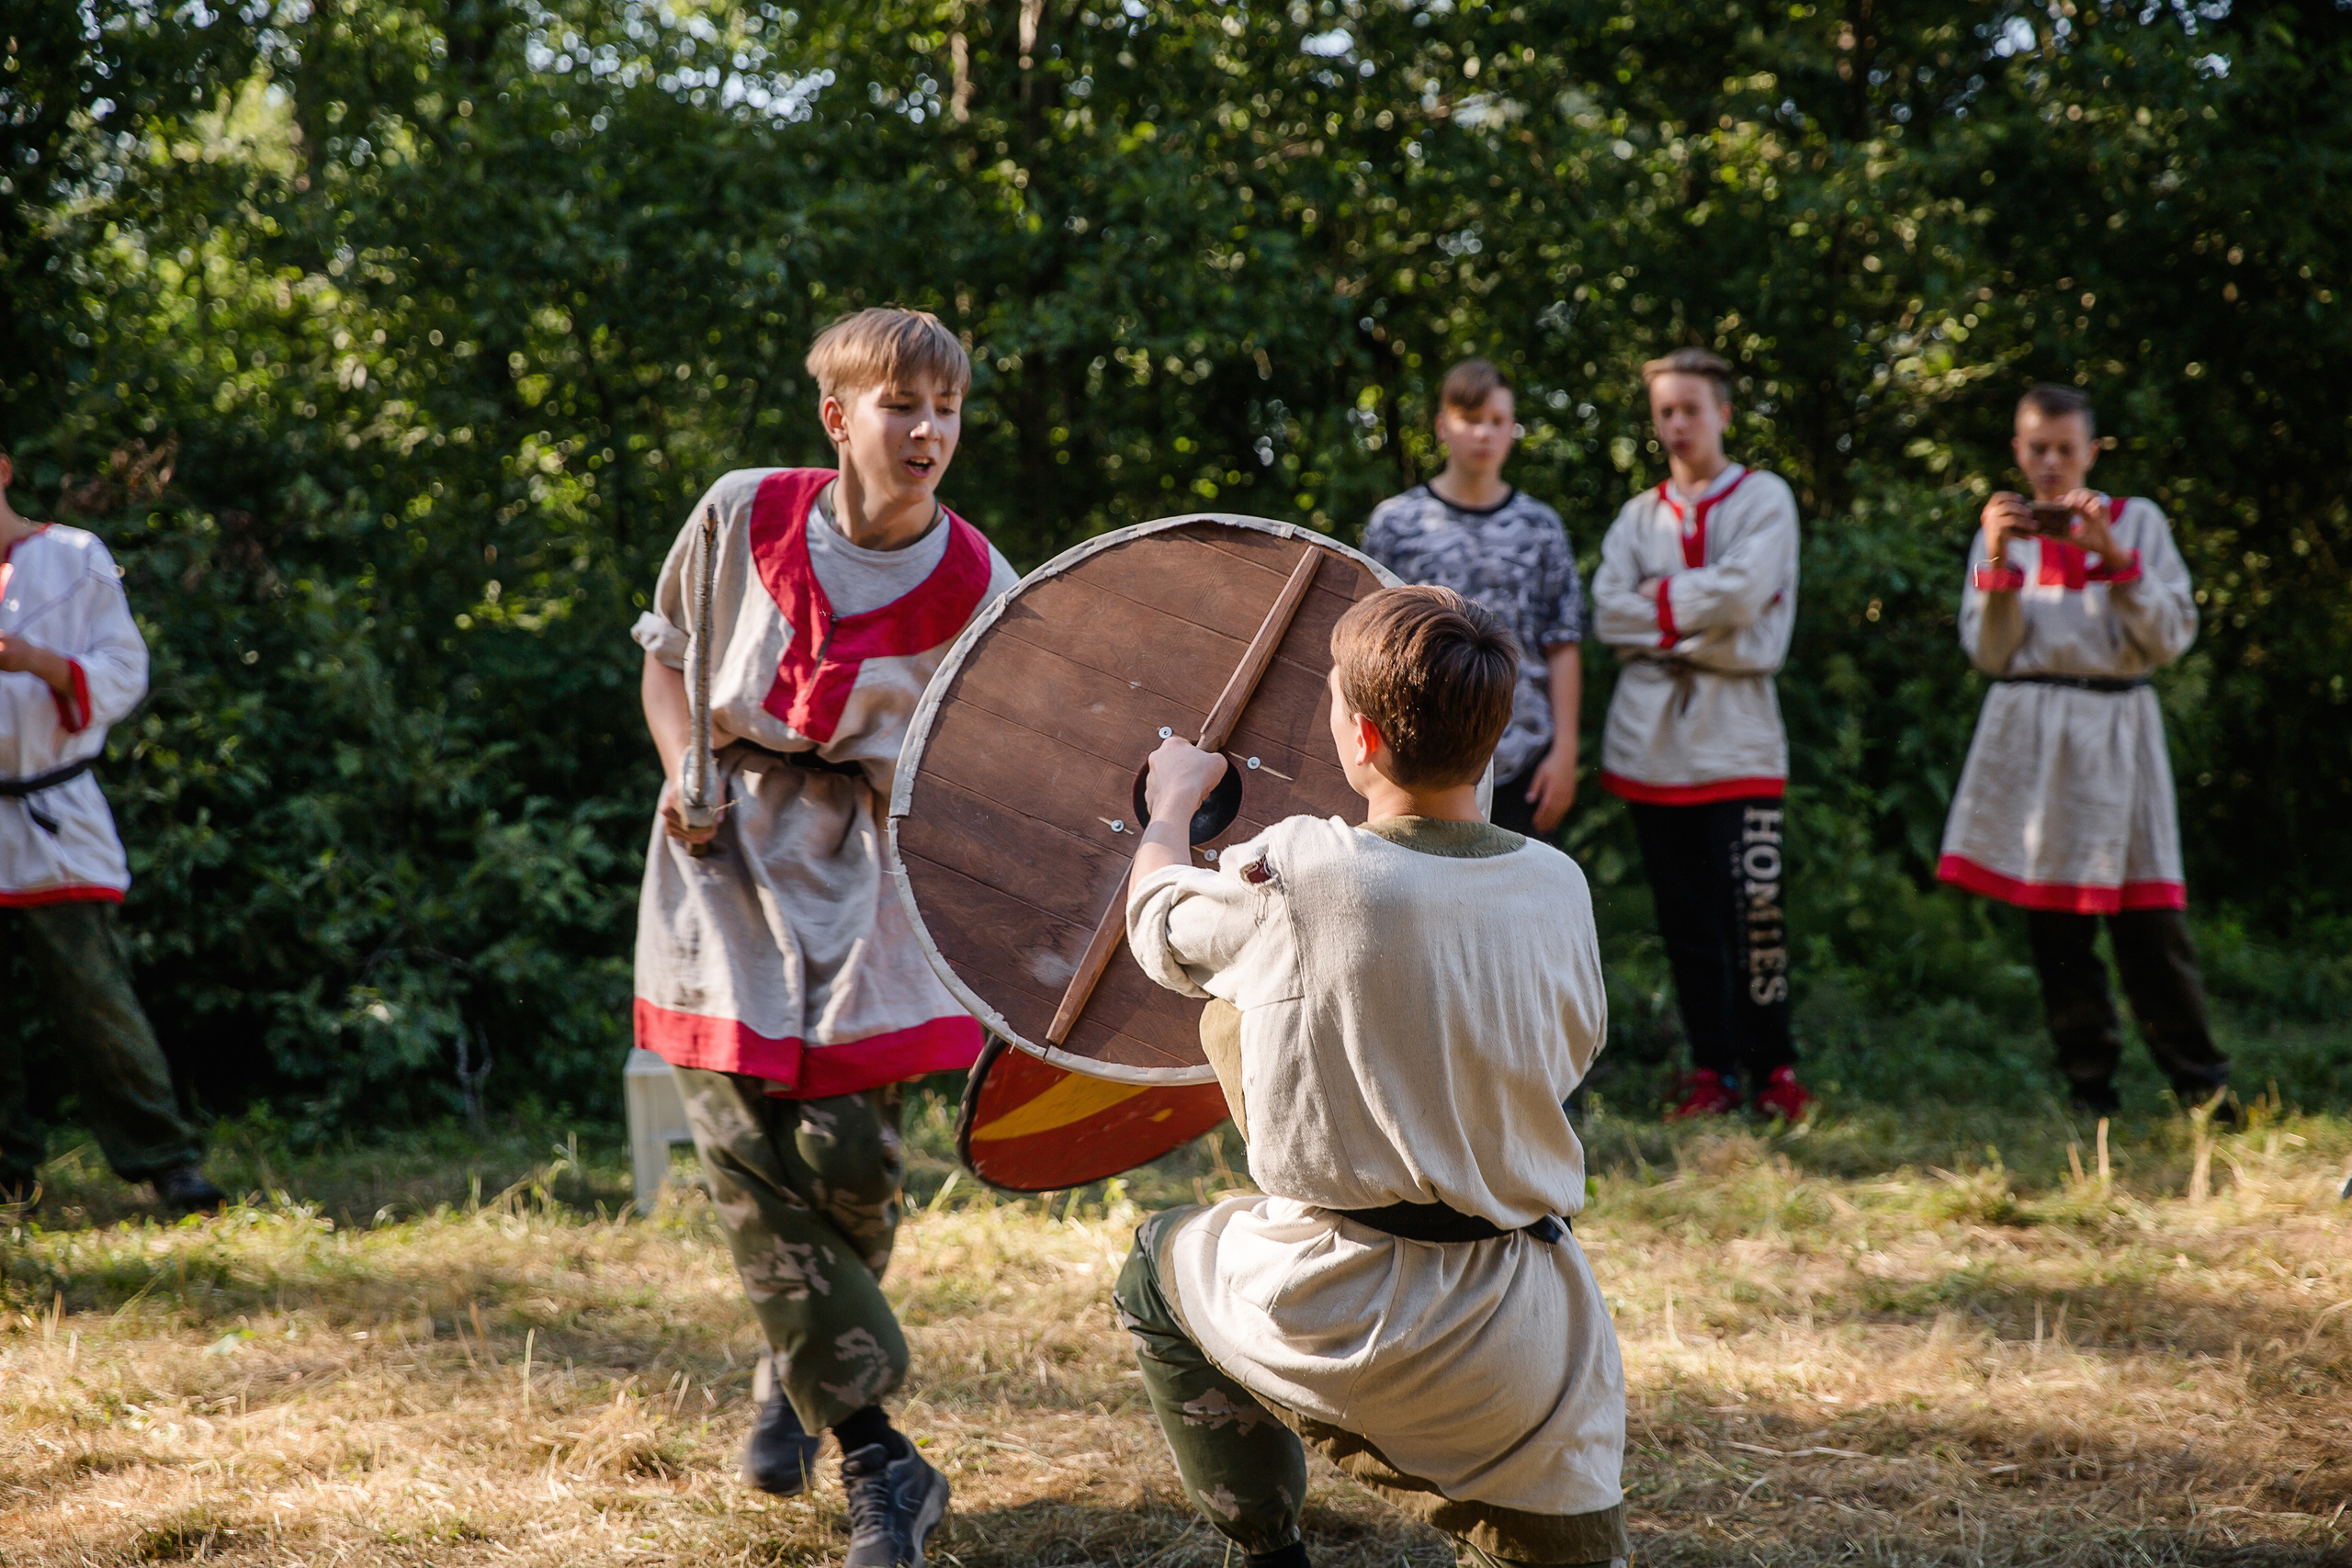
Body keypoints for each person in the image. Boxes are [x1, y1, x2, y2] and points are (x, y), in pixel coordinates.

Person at [1114, 586, 1629, 1568]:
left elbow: (1160, 931)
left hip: (1338, 1308)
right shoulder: (1559, 885)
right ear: (1495, 736)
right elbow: (1576, 1045)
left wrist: (1173, 802)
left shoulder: (1303, 870)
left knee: (1155, 1266)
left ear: (1358, 734)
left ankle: (1268, 1548)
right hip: (1528, 1337)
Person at [629, 308, 1018, 1567]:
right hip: (723, 849)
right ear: (837, 415)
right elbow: (667, 660)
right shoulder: (742, 511)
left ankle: (787, 1366)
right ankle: (879, 1455)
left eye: (945, 409)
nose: (928, 432)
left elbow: (1001, 760)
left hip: (871, 865)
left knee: (851, 1159)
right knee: (739, 1139)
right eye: (901, 405)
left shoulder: (982, 581)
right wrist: (688, 769)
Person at [1938, 384, 2226, 1120]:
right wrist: (1999, 558)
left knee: (2149, 922)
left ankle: (2202, 1083)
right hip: (2035, 736)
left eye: (2066, 448)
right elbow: (1990, 650)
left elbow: (2169, 636)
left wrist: (2114, 557)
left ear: (2092, 451)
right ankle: (2090, 1087)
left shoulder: (2139, 523)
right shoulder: (2000, 530)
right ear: (2017, 450)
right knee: (2056, 926)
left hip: (2118, 731)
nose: (2052, 463)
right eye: (2038, 448)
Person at [0, 449, 226, 1215]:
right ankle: (7, 1171)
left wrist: (40, 662)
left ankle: (166, 1159)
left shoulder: (73, 556)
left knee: (93, 995)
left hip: (53, 812)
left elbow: (125, 671)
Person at [1589, 348, 1808, 1122]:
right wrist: (1711, 621)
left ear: (1722, 412)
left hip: (1740, 745)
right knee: (1685, 919)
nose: (1677, 423)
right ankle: (1711, 1067)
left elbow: (1753, 604)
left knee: (1756, 912)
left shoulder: (1765, 500)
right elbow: (1608, 609)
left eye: (1690, 408)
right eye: (1664, 412)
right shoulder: (1638, 516)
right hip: (1651, 749)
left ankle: (1774, 1066)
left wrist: (1660, 615)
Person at [1361, 358, 1584, 839]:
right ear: (1443, 427)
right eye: (1470, 419)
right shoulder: (1396, 525)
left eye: (1498, 421)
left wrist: (1564, 754)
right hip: (1419, 761)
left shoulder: (1539, 527)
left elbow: (1562, 642)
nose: (1484, 433)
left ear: (1513, 429)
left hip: (1523, 759)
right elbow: (1368, 648)